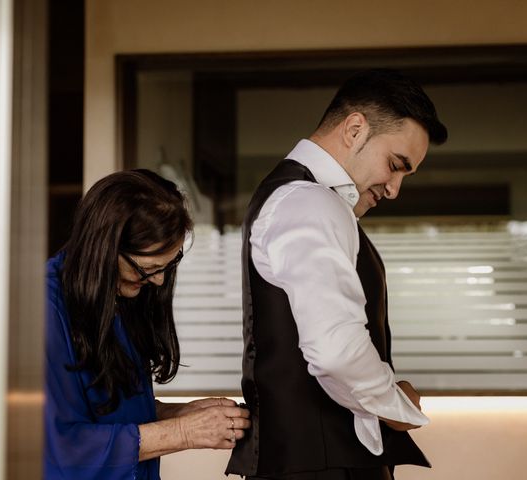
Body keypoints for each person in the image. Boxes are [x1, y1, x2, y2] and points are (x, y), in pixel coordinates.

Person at [226, 69, 448, 480]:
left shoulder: (300, 198)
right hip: (321, 467)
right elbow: (334, 350)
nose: (394, 189)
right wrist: (394, 404)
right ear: (354, 129)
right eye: (395, 165)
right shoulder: (309, 202)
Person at [44, 169, 250, 479]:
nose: (158, 280)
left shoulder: (118, 296)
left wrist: (174, 413)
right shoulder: (45, 311)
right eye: (148, 268)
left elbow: (106, 410)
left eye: (168, 266)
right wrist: (182, 432)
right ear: (105, 248)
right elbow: (61, 448)